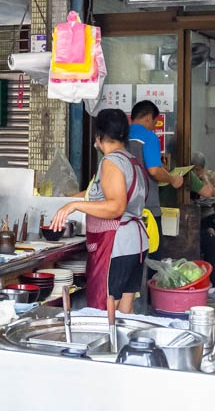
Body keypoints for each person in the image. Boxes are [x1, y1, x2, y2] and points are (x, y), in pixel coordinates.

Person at [51, 109, 149, 314]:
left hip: (115, 245)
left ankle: (104, 347)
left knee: (105, 312)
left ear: (99, 136)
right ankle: (123, 346)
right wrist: (68, 199)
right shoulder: (131, 161)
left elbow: (116, 206)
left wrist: (74, 206)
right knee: (125, 311)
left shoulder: (111, 162)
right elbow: (102, 194)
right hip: (134, 245)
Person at [127, 100, 183, 248]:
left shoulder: (120, 136)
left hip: (123, 208)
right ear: (148, 117)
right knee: (151, 255)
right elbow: (154, 171)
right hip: (147, 209)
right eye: (154, 122)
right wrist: (172, 179)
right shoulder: (148, 137)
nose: (154, 127)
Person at [189, 152, 215, 302]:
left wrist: (205, 179)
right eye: (193, 169)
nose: (196, 173)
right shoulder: (187, 176)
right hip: (188, 218)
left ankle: (213, 282)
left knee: (214, 243)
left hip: (206, 217)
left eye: (198, 169)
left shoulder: (210, 176)